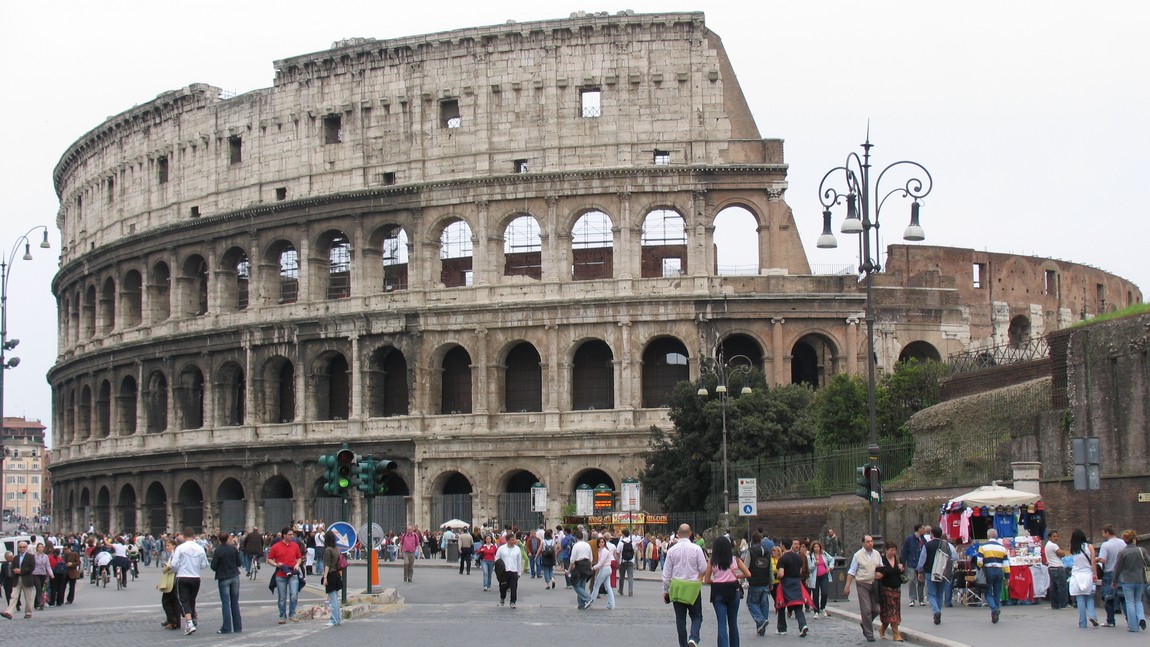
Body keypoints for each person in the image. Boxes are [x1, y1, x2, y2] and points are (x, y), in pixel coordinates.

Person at [663, 523, 708, 647]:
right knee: (697, 616)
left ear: (678, 533)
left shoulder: (672, 550)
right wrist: (698, 577)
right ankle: (693, 638)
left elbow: (666, 573)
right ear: (690, 534)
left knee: (680, 619)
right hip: (693, 587)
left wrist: (665, 590)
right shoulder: (697, 549)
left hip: (677, 586)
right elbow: (703, 568)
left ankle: (683, 644)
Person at [705, 535, 751, 647]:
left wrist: (715, 581)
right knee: (733, 622)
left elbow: (706, 580)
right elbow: (748, 574)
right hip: (732, 590)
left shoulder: (712, 561)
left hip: (718, 591)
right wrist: (737, 576)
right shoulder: (735, 559)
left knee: (721, 623)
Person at [169, 527, 209, 635]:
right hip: (195, 578)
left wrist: (177, 570)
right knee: (192, 599)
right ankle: (193, 617)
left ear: (184, 536)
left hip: (182, 576)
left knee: (183, 600)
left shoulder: (181, 548)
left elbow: (173, 564)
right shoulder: (200, 548)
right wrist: (195, 567)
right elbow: (205, 564)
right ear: (194, 535)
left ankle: (189, 623)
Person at [843, 534, 883, 642]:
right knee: (866, 610)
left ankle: (865, 623)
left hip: (874, 584)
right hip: (862, 584)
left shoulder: (877, 554)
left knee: (877, 609)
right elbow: (852, 571)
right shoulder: (858, 555)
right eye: (868, 541)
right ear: (863, 543)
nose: (870, 543)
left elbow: (881, 567)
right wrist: (847, 586)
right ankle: (869, 634)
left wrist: (880, 574)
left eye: (871, 541)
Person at [775, 539, 812, 638]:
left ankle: (782, 628)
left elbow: (781, 574)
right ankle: (803, 625)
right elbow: (800, 572)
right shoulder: (798, 557)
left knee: (782, 605)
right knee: (797, 606)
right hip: (796, 583)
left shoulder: (782, 559)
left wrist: (778, 575)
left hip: (786, 583)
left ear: (783, 546)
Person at [918, 527, 954, 625]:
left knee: (931, 594)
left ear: (932, 534)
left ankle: (936, 611)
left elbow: (922, 559)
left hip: (930, 572)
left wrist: (920, 571)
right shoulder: (945, 545)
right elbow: (952, 557)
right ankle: (938, 611)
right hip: (942, 572)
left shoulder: (927, 545)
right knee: (939, 593)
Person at [267, 527, 303, 624]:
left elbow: (299, 558)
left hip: (292, 572)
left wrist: (297, 564)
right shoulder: (276, 547)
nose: (292, 536)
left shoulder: (295, 546)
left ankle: (292, 613)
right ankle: (282, 615)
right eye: (289, 534)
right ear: (284, 535)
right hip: (281, 574)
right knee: (282, 597)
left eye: (292, 534)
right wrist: (275, 564)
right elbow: (269, 559)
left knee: (294, 594)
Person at [1114, 529, 1147, 632]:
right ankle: (1141, 617)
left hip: (1127, 580)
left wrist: (1114, 581)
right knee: (1138, 601)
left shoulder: (1122, 552)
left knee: (1129, 602)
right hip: (1140, 579)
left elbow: (1117, 568)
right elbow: (1148, 561)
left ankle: (1133, 626)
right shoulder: (1142, 550)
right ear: (1134, 539)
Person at [210, 531, 242, 634]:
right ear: (228, 538)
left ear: (219, 539)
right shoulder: (233, 548)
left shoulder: (218, 551)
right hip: (235, 576)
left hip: (223, 577)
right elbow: (239, 563)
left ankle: (227, 627)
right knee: (235, 602)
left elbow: (213, 566)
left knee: (225, 603)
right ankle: (238, 627)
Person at [1068, 528, 1100, 628]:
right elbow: (1093, 561)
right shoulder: (1089, 546)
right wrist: (1095, 574)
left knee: (1080, 598)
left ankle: (1082, 622)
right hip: (1088, 573)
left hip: (1077, 574)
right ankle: (1092, 615)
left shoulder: (1072, 548)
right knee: (1090, 597)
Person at [976, 528, 1009, 624]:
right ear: (996, 536)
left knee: (988, 592)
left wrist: (980, 568)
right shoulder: (1003, 548)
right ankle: (996, 611)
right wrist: (1007, 576)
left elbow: (979, 562)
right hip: (999, 571)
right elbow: (1006, 564)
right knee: (997, 592)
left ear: (988, 536)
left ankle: (994, 609)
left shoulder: (983, 547)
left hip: (988, 571)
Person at [745, 531, 773, 636]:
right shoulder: (767, 551)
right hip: (765, 581)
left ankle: (761, 621)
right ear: (761, 540)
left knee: (752, 603)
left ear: (752, 540)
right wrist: (771, 581)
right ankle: (761, 628)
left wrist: (744, 579)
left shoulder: (750, 551)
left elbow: (745, 567)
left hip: (755, 581)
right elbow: (770, 568)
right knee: (764, 604)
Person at [1097, 524, 1126, 627]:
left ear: (1107, 533)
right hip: (1122, 572)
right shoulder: (1123, 542)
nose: (1103, 534)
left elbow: (1103, 559)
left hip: (1110, 572)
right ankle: (1130, 620)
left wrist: (1097, 559)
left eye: (1103, 532)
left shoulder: (1106, 545)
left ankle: (1110, 621)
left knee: (1108, 597)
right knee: (1123, 597)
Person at [1, 542, 36, 620]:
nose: (22, 548)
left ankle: (28, 612)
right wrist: (14, 570)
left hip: (27, 578)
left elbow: (32, 567)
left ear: (26, 547)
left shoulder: (30, 557)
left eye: (24, 547)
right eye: (20, 547)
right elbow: (12, 567)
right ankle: (9, 612)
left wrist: (21, 571)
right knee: (13, 596)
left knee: (28, 597)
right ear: (18, 548)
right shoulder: (16, 557)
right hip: (17, 579)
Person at [878, 542, 905, 641]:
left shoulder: (898, 559)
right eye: (891, 550)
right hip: (886, 589)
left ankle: (883, 629)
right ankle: (896, 634)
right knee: (890, 612)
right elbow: (878, 572)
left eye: (894, 550)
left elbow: (901, 573)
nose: (893, 552)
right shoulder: (882, 560)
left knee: (895, 612)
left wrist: (902, 569)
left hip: (897, 589)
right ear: (886, 550)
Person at [899, 524, 926, 607]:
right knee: (911, 580)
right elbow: (904, 551)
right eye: (923, 528)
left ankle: (921, 599)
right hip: (911, 562)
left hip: (921, 563)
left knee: (921, 581)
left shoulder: (923, 539)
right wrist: (902, 563)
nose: (924, 530)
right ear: (918, 529)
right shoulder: (909, 539)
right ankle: (912, 598)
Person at [566, 533, 595, 610]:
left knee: (575, 584)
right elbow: (590, 558)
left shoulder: (576, 546)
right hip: (587, 564)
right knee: (582, 585)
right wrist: (590, 567)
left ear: (576, 538)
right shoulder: (587, 545)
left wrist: (569, 570)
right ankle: (581, 604)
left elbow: (572, 559)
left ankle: (588, 598)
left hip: (579, 565)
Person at [320, 529, 342, 626]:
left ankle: (333, 619)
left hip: (331, 575)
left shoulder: (328, 550)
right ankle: (338, 618)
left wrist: (325, 577)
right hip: (336, 574)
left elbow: (327, 565)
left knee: (332, 600)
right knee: (335, 599)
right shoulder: (336, 549)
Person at [495, 532, 522, 608]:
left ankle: (513, 602)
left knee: (514, 587)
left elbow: (519, 561)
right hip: (504, 571)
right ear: (507, 540)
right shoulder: (501, 548)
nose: (514, 541)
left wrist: (519, 572)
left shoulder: (517, 549)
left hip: (513, 570)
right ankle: (502, 599)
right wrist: (499, 567)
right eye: (512, 540)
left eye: (514, 540)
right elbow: (497, 558)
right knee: (503, 587)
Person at [158, 539, 181, 630]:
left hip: (172, 581)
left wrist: (166, 568)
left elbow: (173, 566)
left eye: (168, 545)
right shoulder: (172, 554)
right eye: (166, 546)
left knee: (166, 602)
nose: (167, 547)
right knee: (174, 602)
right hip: (172, 580)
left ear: (174, 545)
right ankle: (174, 621)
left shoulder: (174, 554)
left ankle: (172, 621)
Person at [807, 540, 834, 618]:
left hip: (824, 575)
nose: (817, 548)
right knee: (815, 594)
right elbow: (809, 568)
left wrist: (830, 567)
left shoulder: (824, 554)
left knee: (825, 592)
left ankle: (823, 607)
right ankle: (816, 611)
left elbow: (832, 559)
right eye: (815, 547)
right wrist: (814, 564)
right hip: (815, 577)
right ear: (813, 548)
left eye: (818, 546)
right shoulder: (810, 556)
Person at [591, 535, 617, 610]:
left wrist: (593, 568)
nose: (601, 544)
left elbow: (601, 563)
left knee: (596, 586)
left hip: (605, 569)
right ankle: (611, 604)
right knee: (608, 587)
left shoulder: (604, 551)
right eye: (600, 542)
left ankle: (591, 601)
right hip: (606, 569)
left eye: (602, 542)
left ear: (604, 543)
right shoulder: (601, 550)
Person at [617, 528, 637, 596]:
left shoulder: (620, 543)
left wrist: (618, 561)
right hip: (631, 561)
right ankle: (630, 591)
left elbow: (618, 552)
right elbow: (634, 551)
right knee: (630, 576)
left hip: (623, 561)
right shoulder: (632, 542)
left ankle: (621, 590)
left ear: (623, 534)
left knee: (621, 576)